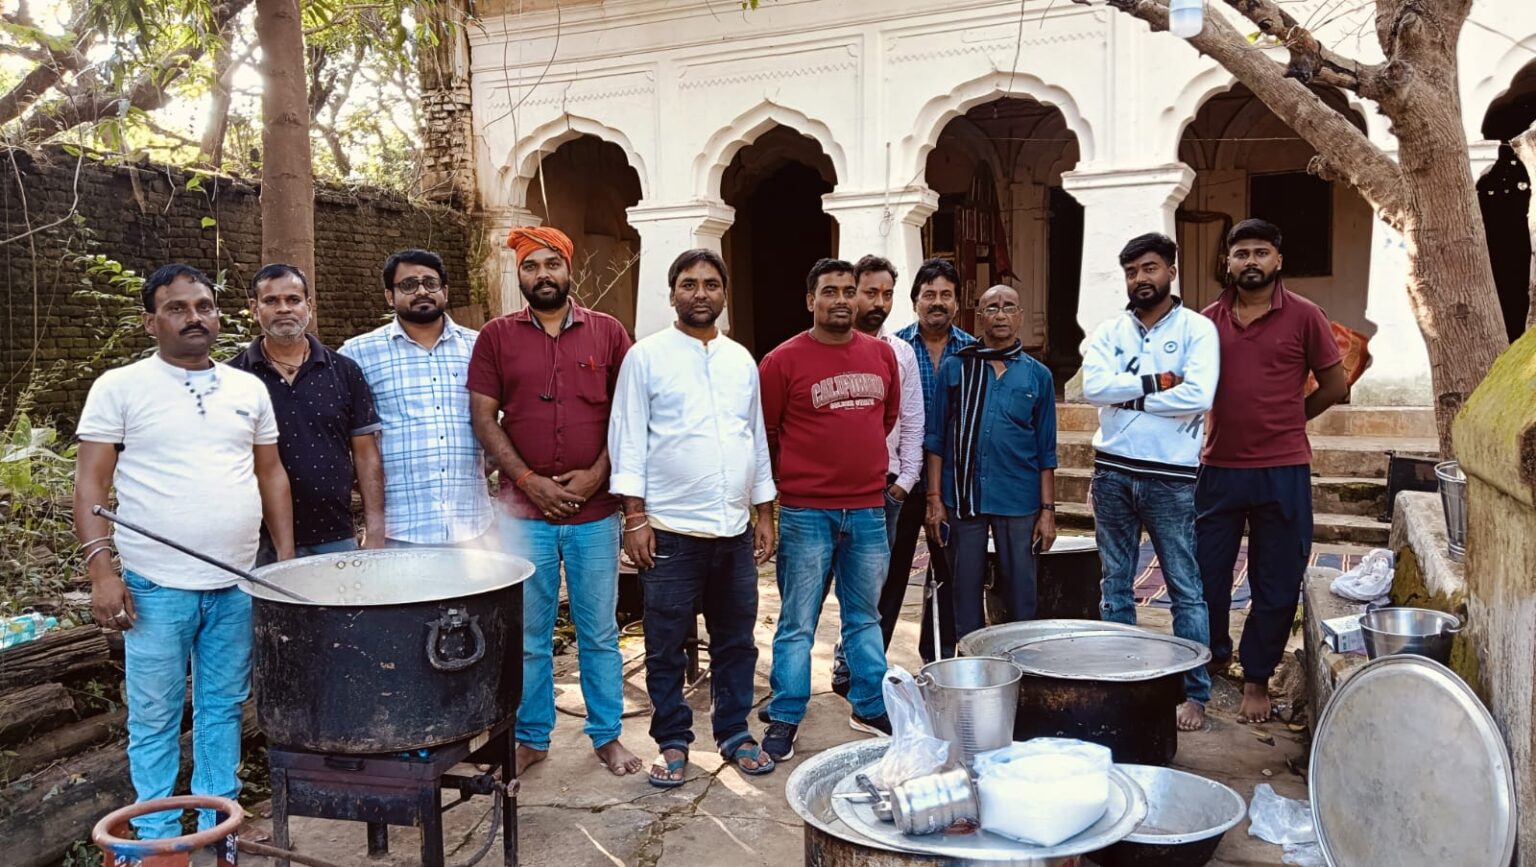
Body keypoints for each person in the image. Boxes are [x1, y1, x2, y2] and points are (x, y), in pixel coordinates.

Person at [72, 264, 295, 841]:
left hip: (236, 584)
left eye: (203, 306)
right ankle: (158, 836)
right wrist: (102, 574)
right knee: (154, 717)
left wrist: (287, 564)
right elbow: (90, 488)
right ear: (151, 321)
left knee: (223, 708)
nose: (194, 318)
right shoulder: (119, 387)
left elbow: (270, 475)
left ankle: (219, 827)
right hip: (155, 585)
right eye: (177, 308)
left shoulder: (249, 388)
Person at [468, 226, 641, 777]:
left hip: (595, 513)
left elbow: (628, 416)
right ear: (518, 276)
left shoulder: (610, 333)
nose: (542, 275)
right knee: (529, 635)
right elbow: (482, 418)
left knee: (598, 632)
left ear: (570, 270)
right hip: (523, 515)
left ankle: (607, 734)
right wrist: (527, 479)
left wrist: (597, 475)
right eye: (530, 267)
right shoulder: (495, 337)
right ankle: (531, 736)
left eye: (551, 264)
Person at [608, 249, 778, 787]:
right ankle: (674, 741)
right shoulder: (647, 356)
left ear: (724, 293)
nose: (700, 293)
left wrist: (764, 511)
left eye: (710, 284)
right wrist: (634, 518)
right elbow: (628, 437)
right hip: (670, 533)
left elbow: (755, 438)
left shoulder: (740, 359)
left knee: (737, 641)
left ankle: (733, 731)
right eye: (688, 283)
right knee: (663, 645)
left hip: (733, 531)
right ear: (672, 293)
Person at [1199, 219, 1348, 724]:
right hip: (1218, 468)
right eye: (1241, 253)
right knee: (1205, 576)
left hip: (1282, 469)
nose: (1251, 262)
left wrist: (1294, 418)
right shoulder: (1205, 321)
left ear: (1278, 260)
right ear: (1228, 262)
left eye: (1261, 252)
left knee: (1276, 580)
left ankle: (1257, 677)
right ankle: (1212, 658)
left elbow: (1334, 384)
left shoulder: (1306, 316)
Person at [759, 257, 899, 762]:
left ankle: (868, 702)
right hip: (805, 511)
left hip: (866, 508)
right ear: (810, 300)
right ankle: (786, 713)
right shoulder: (782, 361)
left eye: (849, 291)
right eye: (830, 291)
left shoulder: (881, 357)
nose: (842, 300)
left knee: (864, 617)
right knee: (797, 621)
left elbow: (886, 417)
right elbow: (767, 433)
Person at [1081, 233, 1219, 732]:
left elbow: (1199, 394)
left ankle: (1194, 693)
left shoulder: (1198, 330)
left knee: (1184, 586)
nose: (1141, 278)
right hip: (1113, 469)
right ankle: (1121, 681)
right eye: (1133, 271)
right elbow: (1092, 387)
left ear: (1171, 272)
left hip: (1171, 477)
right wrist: (1158, 384)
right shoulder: (1109, 331)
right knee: (1114, 584)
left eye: (1150, 268)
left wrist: (1127, 398)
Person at [925, 285, 1058, 637]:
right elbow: (936, 437)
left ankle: (1020, 666)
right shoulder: (957, 368)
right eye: (992, 307)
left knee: (1021, 591)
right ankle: (971, 669)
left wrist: (1047, 511)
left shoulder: (1037, 376)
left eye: (1009, 307)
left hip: (1019, 499)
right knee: (964, 589)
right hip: (962, 497)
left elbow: (1046, 450)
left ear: (1020, 317)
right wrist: (935, 499)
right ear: (979, 317)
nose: (1001, 314)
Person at [230, 263, 386, 563]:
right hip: (256, 542)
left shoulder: (343, 371)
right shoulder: (233, 378)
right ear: (254, 307)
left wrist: (375, 530)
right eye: (271, 301)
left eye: (293, 300)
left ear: (309, 306)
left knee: (340, 609)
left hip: (335, 536)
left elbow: (366, 456)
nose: (283, 309)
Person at [338, 249, 493, 547]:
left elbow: (498, 421)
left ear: (445, 291)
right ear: (389, 295)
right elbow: (344, 438)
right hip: (399, 530)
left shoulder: (479, 348)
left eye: (430, 283)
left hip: (472, 526)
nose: (422, 290)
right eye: (408, 285)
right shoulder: (358, 354)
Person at [893, 259, 976, 661]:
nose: (937, 303)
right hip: (902, 482)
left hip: (955, 484)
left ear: (957, 304)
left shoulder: (974, 352)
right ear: (914, 302)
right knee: (888, 577)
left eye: (945, 295)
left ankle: (938, 657)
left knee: (950, 575)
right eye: (929, 295)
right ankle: (861, 663)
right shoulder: (893, 349)